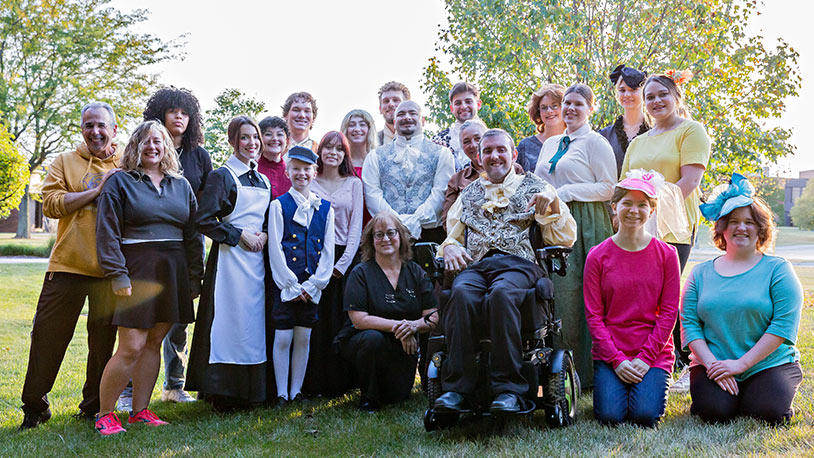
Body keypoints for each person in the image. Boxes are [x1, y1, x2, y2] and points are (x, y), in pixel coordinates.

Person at [433, 129, 576, 415]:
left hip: (519, 264)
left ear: (513, 155)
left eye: (500, 150)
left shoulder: (536, 186)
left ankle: (509, 389)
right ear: (479, 158)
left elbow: (565, 237)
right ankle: (457, 391)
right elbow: (453, 235)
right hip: (478, 266)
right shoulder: (469, 193)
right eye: (487, 151)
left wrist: (552, 207)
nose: (494, 156)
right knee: (460, 294)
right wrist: (448, 247)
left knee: (501, 294)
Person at [93, 120, 204, 435]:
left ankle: (140, 411)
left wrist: (194, 278)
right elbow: (107, 232)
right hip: (136, 270)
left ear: (166, 146)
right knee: (131, 346)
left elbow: (193, 235)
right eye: (146, 141)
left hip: (173, 270)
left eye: (158, 141)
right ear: (135, 146)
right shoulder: (121, 183)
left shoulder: (181, 185)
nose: (153, 147)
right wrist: (118, 274)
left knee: (154, 341)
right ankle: (104, 414)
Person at [19, 101, 120, 429]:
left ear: (114, 130)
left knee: (103, 343)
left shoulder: (126, 164)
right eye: (89, 125)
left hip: (109, 269)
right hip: (67, 266)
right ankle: (34, 407)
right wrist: (97, 191)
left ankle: (92, 407)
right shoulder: (64, 161)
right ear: (82, 129)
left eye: (102, 125)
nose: (95, 131)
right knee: (47, 336)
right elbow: (50, 205)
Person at [682, 173, 803, 425]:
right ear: (722, 228)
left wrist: (741, 365)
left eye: (749, 222)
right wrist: (714, 365)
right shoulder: (700, 273)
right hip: (713, 364)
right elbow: (690, 326)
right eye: (733, 221)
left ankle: (768, 392)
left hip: (767, 363)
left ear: (760, 228)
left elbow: (782, 325)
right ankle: (719, 395)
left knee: (768, 413)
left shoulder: (778, 270)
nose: (741, 227)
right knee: (714, 412)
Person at [620, 71, 711, 379]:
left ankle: (679, 360)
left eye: (662, 95)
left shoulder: (691, 131)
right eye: (650, 97)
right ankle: (649, 357)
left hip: (674, 226)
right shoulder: (637, 142)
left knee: (666, 293)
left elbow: (690, 181)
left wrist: (655, 213)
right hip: (636, 228)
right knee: (641, 294)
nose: (656, 101)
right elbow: (624, 186)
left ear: (676, 97)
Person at [534, 83, 616, 388]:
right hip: (550, 222)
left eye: (578, 104)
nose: (570, 109)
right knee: (555, 294)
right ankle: (555, 368)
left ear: (590, 109)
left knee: (583, 294)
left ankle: (587, 368)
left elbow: (609, 187)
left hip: (585, 222)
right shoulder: (551, 143)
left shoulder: (597, 143)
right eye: (566, 103)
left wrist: (565, 193)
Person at [186, 116, 271, 411]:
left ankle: (252, 392)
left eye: (255, 138)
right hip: (229, 262)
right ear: (232, 141)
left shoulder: (263, 179)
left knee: (252, 324)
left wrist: (263, 235)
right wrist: (238, 235)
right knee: (227, 323)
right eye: (244, 138)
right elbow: (203, 220)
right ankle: (223, 393)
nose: (252, 143)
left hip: (256, 262)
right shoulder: (223, 176)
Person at [583, 170, 679, 427]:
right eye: (627, 203)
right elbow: (593, 315)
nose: (634, 210)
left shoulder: (667, 255)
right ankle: (614, 383)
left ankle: (649, 383)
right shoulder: (597, 256)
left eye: (642, 205)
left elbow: (669, 313)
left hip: (653, 350)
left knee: (645, 416)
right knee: (610, 417)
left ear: (652, 209)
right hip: (611, 350)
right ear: (614, 206)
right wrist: (617, 360)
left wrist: (645, 358)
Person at [143, 86, 212, 405]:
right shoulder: (146, 149)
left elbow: (210, 202)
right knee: (142, 318)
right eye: (173, 111)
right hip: (150, 245)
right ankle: (130, 390)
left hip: (189, 246)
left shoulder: (200, 155)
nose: (179, 117)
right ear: (161, 114)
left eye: (185, 112)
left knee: (180, 319)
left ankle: (174, 385)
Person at [337, 212, 438, 412]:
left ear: (400, 236)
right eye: (379, 235)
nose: (386, 239)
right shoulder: (361, 273)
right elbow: (358, 319)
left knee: (398, 396)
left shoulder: (415, 271)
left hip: (404, 346)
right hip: (366, 343)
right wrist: (400, 327)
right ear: (371, 241)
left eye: (391, 233)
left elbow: (433, 316)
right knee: (373, 338)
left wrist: (414, 326)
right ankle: (368, 397)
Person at [267, 146, 335, 405]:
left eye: (307, 169)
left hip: (311, 287)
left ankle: (296, 391)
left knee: (303, 337)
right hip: (286, 285)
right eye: (296, 168)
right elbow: (275, 247)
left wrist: (315, 284)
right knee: (283, 337)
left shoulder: (326, 209)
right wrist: (291, 285)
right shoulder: (278, 205)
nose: (301, 174)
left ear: (315, 172)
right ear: (288, 171)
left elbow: (328, 252)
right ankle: (281, 393)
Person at [304, 132, 362, 397]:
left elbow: (356, 229)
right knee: (317, 321)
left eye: (339, 149)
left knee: (341, 320)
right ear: (320, 151)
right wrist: (321, 266)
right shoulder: (310, 182)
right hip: (315, 258)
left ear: (344, 155)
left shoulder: (353, 184)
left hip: (344, 260)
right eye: (328, 147)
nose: (333, 153)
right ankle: (315, 382)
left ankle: (343, 382)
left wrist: (342, 264)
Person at [362, 100, 454, 244]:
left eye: (413, 113)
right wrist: (396, 222)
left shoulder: (443, 153)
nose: (407, 117)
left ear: (422, 120)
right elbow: (373, 195)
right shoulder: (374, 156)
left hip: (430, 234)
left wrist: (416, 220)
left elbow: (441, 192)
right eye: (401, 114)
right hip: (387, 235)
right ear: (394, 121)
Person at [599, 65, 650, 177]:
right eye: (622, 90)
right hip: (611, 193)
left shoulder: (656, 131)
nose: (627, 95)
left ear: (644, 92)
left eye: (633, 90)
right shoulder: (605, 135)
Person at [431, 82, 482, 171]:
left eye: (468, 101)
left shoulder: (492, 137)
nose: (463, 106)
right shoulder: (439, 139)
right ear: (452, 108)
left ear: (478, 104)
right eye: (458, 103)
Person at [516, 84, 566, 173]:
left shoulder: (576, 141)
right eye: (544, 107)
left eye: (554, 105)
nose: (549, 111)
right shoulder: (525, 146)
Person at [340, 109, 377, 227]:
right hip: (346, 225)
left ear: (369, 129)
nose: (357, 129)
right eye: (351, 125)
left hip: (373, 224)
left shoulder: (377, 160)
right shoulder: (339, 163)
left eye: (362, 124)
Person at [257, 116, 292, 199]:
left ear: (287, 141)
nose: (275, 139)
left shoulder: (292, 172)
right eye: (268, 134)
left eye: (280, 134)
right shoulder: (252, 170)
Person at [376, 81, 410, 146]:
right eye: (386, 101)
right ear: (380, 109)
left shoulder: (422, 141)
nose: (391, 104)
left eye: (396, 100)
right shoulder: (370, 143)